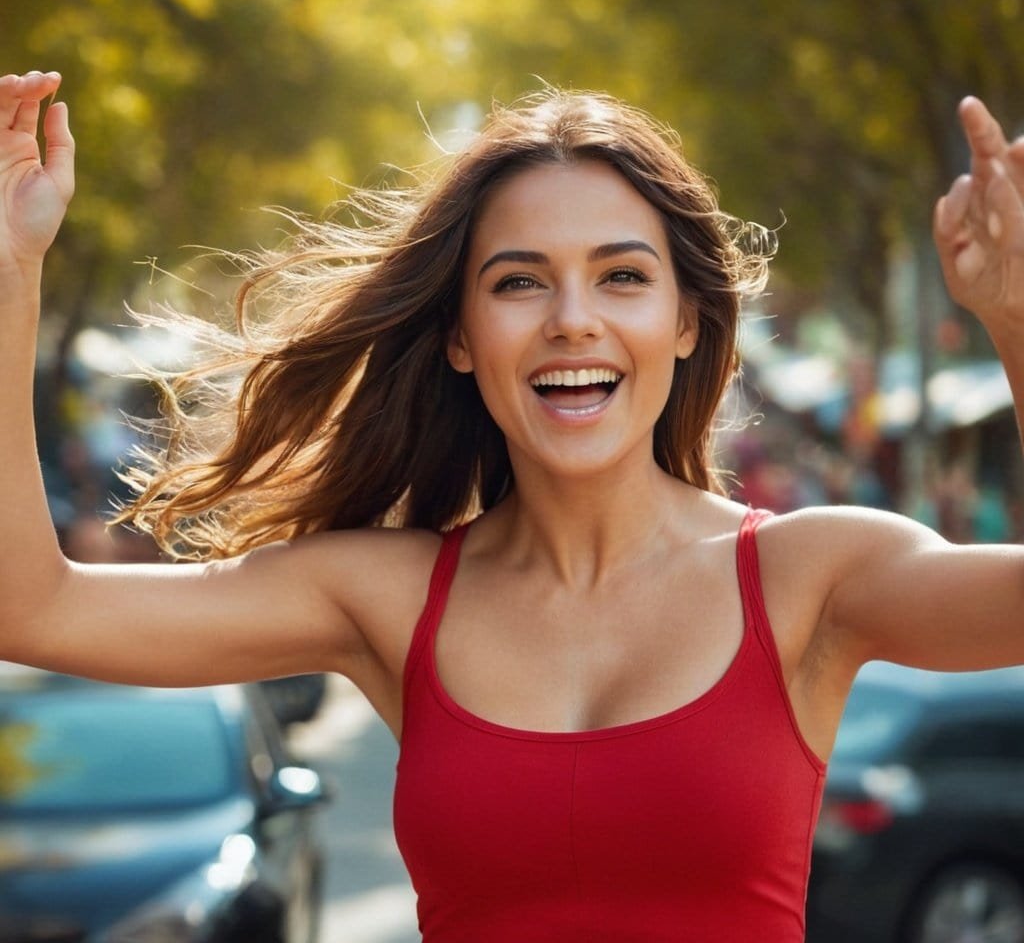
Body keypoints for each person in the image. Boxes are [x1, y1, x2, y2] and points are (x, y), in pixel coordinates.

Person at [2, 68, 1023, 942]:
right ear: (459, 336)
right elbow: (32, 607)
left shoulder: (812, 576)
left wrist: (1015, 314)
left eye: (621, 276)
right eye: (519, 283)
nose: (572, 321)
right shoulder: (386, 598)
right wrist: (8, 278)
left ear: (685, 321)